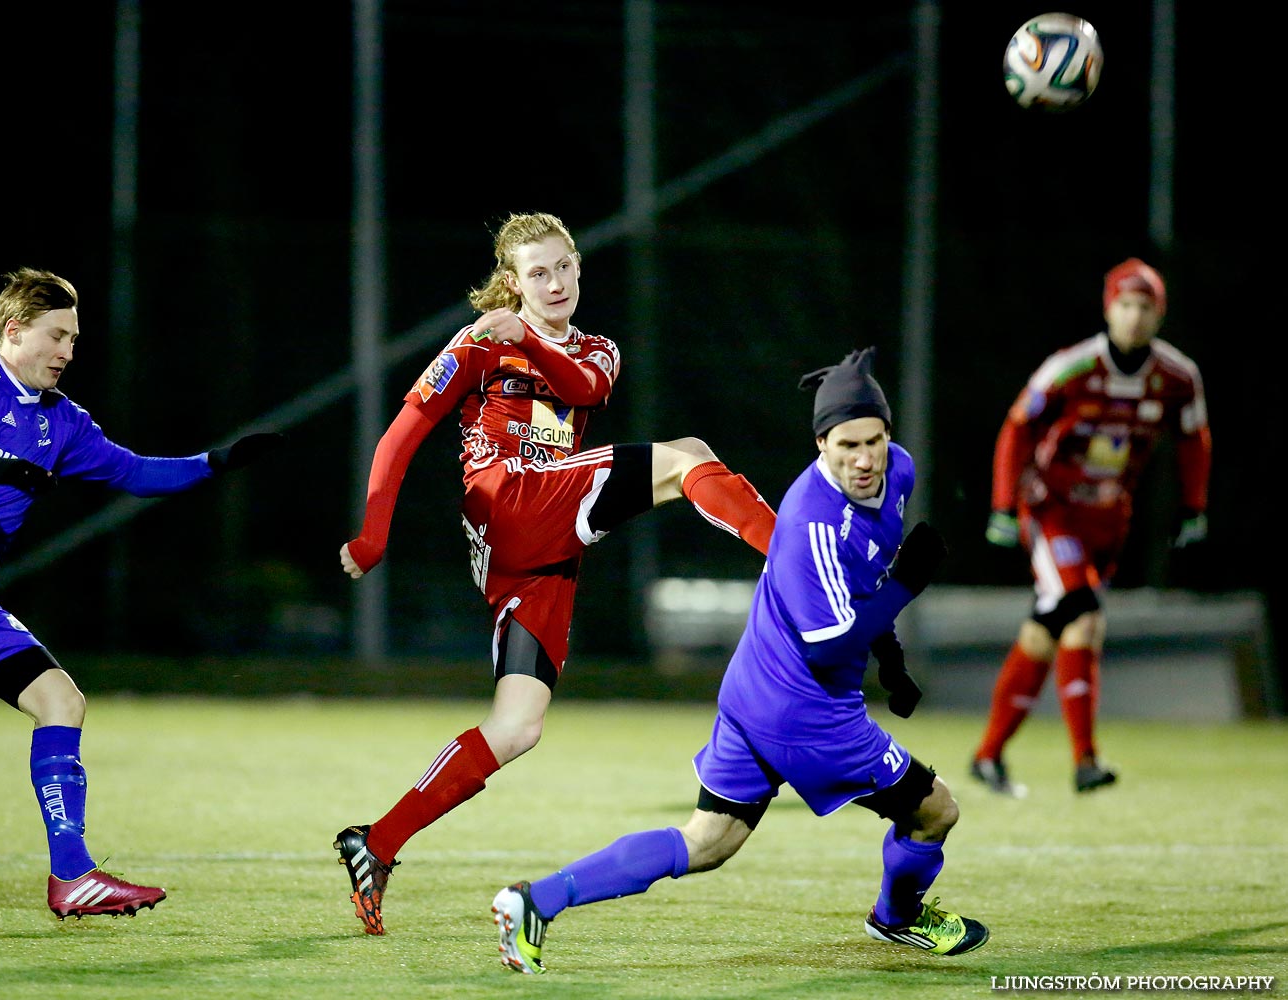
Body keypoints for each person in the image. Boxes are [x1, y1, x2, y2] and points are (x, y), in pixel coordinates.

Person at [335, 211, 778, 936]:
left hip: (542, 550)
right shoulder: (476, 344)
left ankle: (376, 842)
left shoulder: (596, 351)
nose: (554, 283)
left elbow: (580, 388)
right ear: (511, 283)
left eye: (563, 267)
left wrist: (529, 347)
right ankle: (797, 558)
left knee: (516, 727)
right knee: (684, 455)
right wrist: (372, 536)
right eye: (536, 273)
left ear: (577, 267)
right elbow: (400, 434)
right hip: (509, 503)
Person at [491, 347, 988, 974]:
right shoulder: (814, 522)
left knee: (708, 840)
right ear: (820, 445)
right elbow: (831, 644)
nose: (864, 460)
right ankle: (899, 918)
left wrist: (892, 663)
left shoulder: (900, 474)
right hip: (805, 710)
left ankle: (536, 900)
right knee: (936, 809)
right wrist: (905, 588)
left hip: (754, 690)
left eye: (875, 441)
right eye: (846, 445)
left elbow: (862, 583)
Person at [0, 268, 282, 918]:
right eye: (57, 336)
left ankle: (73, 877)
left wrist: (212, 464)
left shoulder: (63, 422)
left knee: (60, 700)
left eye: (73, 339)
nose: (67, 352)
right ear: (14, 332)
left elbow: (133, 472)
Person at [970, 257, 1211, 797]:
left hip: (1109, 522)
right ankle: (1085, 760)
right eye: (1125, 305)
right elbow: (1017, 427)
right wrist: (1005, 506)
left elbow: (1195, 438)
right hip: (1053, 513)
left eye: (1145, 307)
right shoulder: (1070, 367)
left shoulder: (1177, 377)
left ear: (1159, 314)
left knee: (1045, 631)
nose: (1133, 317)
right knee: (1085, 619)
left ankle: (987, 756)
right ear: (1109, 309)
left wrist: (1193, 506)